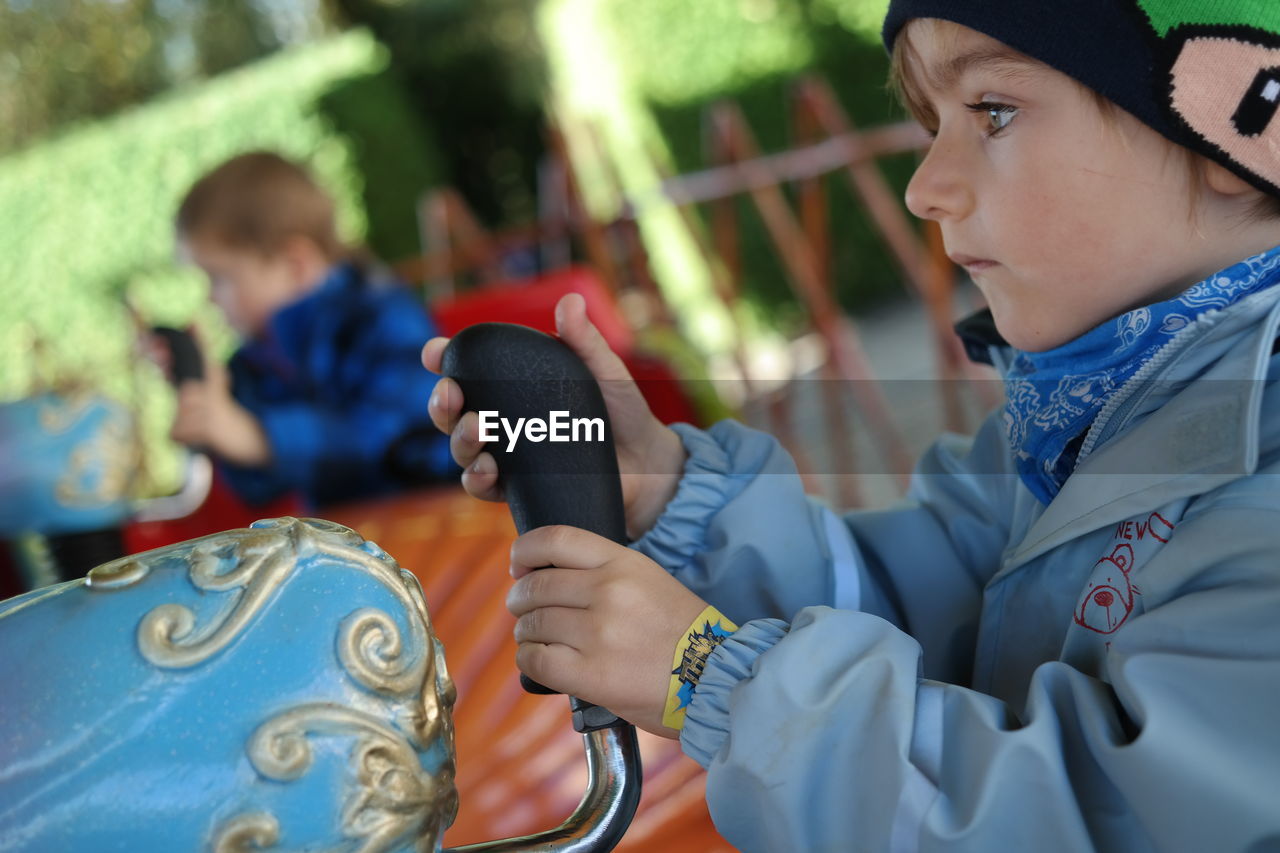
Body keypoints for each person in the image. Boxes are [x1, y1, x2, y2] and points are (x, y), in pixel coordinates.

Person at [424, 1, 1280, 850]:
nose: (924, 187)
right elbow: (901, 614)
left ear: (1236, 124)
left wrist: (714, 677)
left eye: (993, 110)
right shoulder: (1065, 432)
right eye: (932, 123)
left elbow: (1096, 819)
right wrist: (668, 495)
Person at [170, 151, 455, 508]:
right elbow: (257, 488)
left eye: (220, 278)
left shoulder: (380, 317)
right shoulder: (254, 359)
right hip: (347, 540)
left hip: (436, 521)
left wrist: (258, 436)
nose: (210, 298)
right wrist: (212, 405)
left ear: (294, 264)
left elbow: (386, 438)